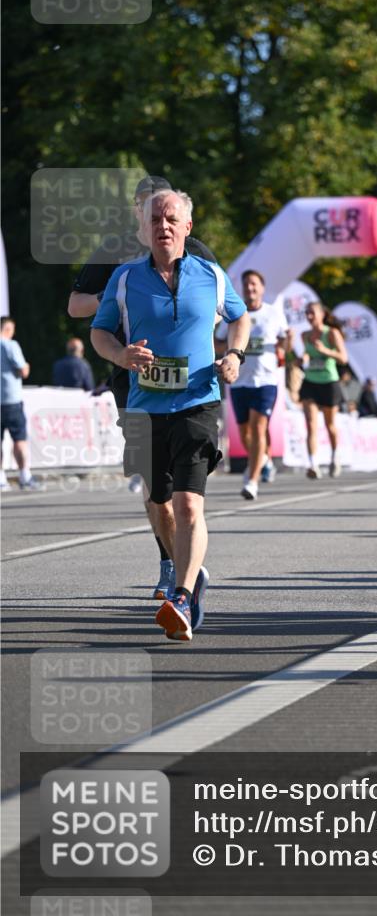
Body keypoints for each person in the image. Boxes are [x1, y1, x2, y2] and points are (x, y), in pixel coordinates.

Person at [91, 189, 250, 641]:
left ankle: (181, 595)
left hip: (198, 401)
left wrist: (235, 354)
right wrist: (121, 355)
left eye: (171, 218)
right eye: (155, 218)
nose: (163, 225)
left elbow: (240, 319)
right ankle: (190, 570)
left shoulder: (212, 275)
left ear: (187, 227)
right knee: (158, 501)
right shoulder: (124, 279)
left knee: (188, 503)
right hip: (144, 408)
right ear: (143, 229)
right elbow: (99, 332)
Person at [68, 175, 218, 599]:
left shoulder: (195, 249)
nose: (153, 214)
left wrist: (230, 355)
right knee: (156, 487)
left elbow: (218, 303)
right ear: (136, 210)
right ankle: (170, 563)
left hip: (189, 389)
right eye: (144, 205)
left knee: (185, 492)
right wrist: (123, 295)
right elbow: (75, 305)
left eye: (161, 207)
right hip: (129, 377)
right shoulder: (114, 251)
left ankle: (184, 578)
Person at [215, 269, 286, 500]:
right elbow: (219, 343)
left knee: (258, 427)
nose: (250, 289)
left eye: (254, 284)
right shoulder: (235, 314)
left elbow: (285, 337)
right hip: (238, 381)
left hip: (265, 380)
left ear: (262, 288)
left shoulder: (273, 313)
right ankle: (262, 459)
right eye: (246, 285)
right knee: (246, 433)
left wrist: (284, 349)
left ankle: (252, 481)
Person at [286, 301, 347, 478]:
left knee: (330, 426)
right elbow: (305, 354)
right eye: (307, 313)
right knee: (311, 425)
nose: (309, 316)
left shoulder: (332, 333)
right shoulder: (305, 335)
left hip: (329, 382)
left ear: (322, 314)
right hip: (310, 382)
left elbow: (343, 358)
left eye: (312, 313)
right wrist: (301, 359)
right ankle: (313, 464)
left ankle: (335, 457)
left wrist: (325, 351)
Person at [0, 317, 43, 491]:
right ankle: (25, 476)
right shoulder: (10, 345)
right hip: (10, 399)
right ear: (8, 328)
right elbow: (23, 370)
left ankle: (1, 479)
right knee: (19, 439)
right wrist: (27, 366)